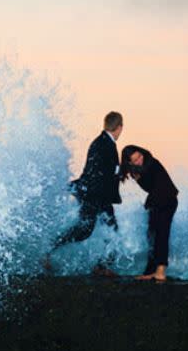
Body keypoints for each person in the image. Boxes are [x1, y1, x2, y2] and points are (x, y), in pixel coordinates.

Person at [46, 111, 123, 275]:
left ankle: (101, 266)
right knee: (90, 231)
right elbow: (101, 173)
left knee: (97, 231)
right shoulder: (106, 144)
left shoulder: (101, 142)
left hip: (95, 194)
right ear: (119, 127)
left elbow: (100, 171)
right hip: (95, 195)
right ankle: (49, 249)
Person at [120, 145, 178, 281]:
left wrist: (149, 203)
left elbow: (160, 187)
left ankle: (161, 271)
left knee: (162, 233)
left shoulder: (151, 163)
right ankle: (150, 271)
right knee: (151, 235)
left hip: (166, 200)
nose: (140, 160)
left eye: (140, 156)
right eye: (135, 160)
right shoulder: (134, 170)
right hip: (156, 202)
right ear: (129, 162)